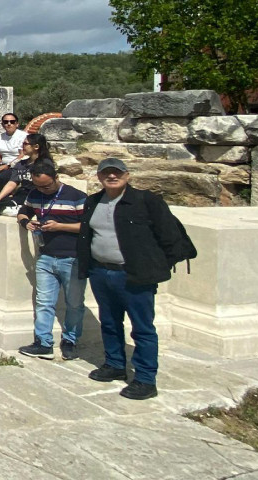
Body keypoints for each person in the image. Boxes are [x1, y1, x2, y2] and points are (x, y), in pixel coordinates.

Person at [79, 158, 190, 401]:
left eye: (116, 173)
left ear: (127, 175)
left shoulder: (146, 201)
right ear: (99, 177)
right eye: (106, 173)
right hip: (101, 272)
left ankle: (145, 378)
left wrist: (153, 267)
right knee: (109, 322)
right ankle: (115, 364)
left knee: (142, 328)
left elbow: (170, 235)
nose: (111, 177)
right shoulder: (93, 201)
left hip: (134, 275)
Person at [15, 159, 88, 361]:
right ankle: (43, 343)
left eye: (47, 186)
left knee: (74, 303)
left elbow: (88, 226)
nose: (43, 190)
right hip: (46, 256)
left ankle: (70, 341)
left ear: (57, 178)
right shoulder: (35, 194)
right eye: (38, 186)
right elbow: (23, 211)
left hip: (72, 258)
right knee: (44, 302)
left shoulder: (77, 197)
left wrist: (60, 227)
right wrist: (26, 222)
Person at [0, 132, 52, 213]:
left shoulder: (45, 164)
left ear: (36, 147)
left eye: (25, 144)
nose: (22, 146)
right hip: (21, 196)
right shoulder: (21, 164)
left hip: (37, 198)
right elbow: (12, 183)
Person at [0, 113, 27, 192]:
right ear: (2, 124)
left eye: (12, 122)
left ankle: (4, 195)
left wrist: (8, 165)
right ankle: (5, 194)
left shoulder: (23, 136)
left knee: (2, 177)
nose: (9, 124)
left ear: (17, 124)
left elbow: (22, 155)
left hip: (18, 165)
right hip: (3, 164)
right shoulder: (0, 137)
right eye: (6, 122)